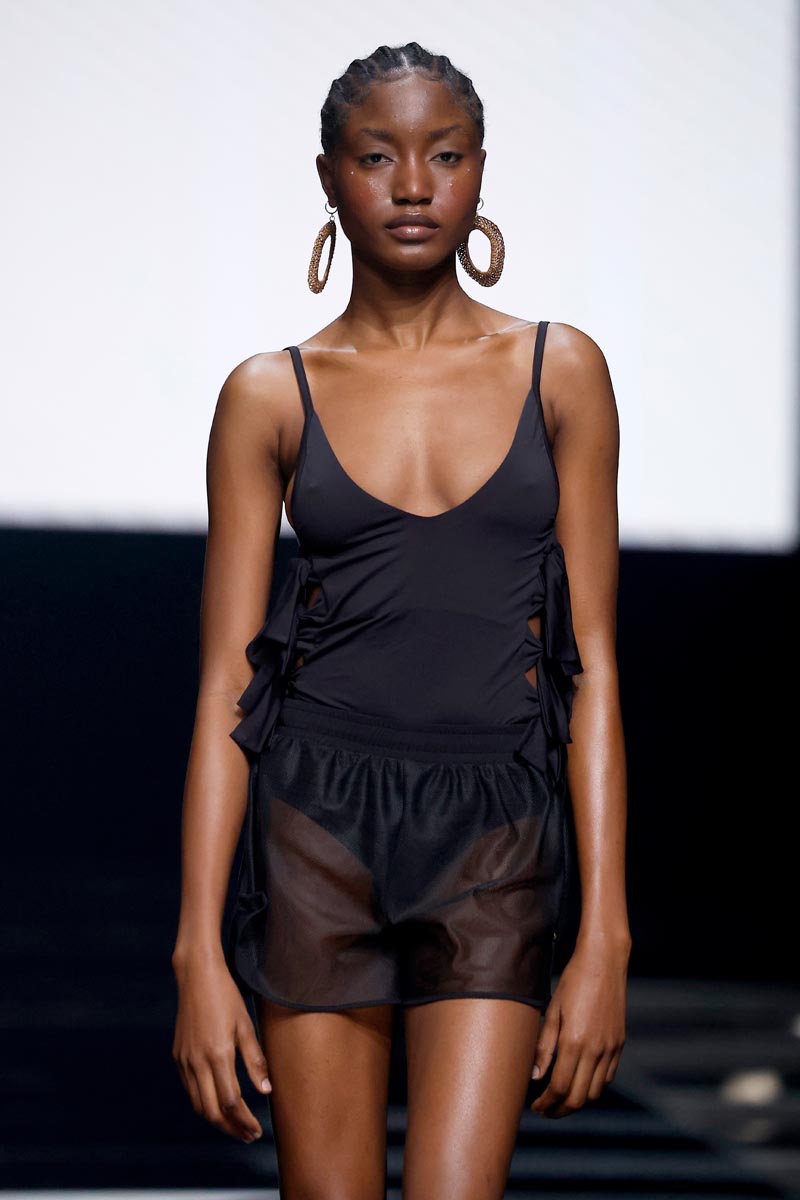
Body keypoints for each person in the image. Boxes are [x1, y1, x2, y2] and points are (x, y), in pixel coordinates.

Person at [171, 41, 629, 1199]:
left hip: (494, 834)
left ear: (480, 171)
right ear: (329, 176)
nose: (414, 185)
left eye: (445, 156)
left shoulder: (559, 372)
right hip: (315, 829)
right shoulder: (269, 393)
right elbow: (227, 681)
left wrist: (605, 938)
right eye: (377, 157)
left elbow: (591, 667)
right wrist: (195, 954)